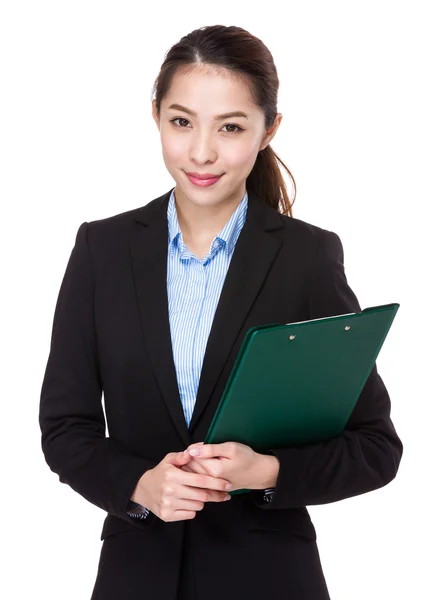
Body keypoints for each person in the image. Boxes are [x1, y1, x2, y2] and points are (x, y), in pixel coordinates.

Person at [39, 24, 403, 600]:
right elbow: (65, 429)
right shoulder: (101, 251)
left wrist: (264, 474)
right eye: (181, 122)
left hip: (270, 581)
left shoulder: (307, 258)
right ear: (155, 115)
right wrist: (139, 484)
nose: (202, 152)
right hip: (137, 579)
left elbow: (375, 448)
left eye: (230, 127)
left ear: (268, 130)